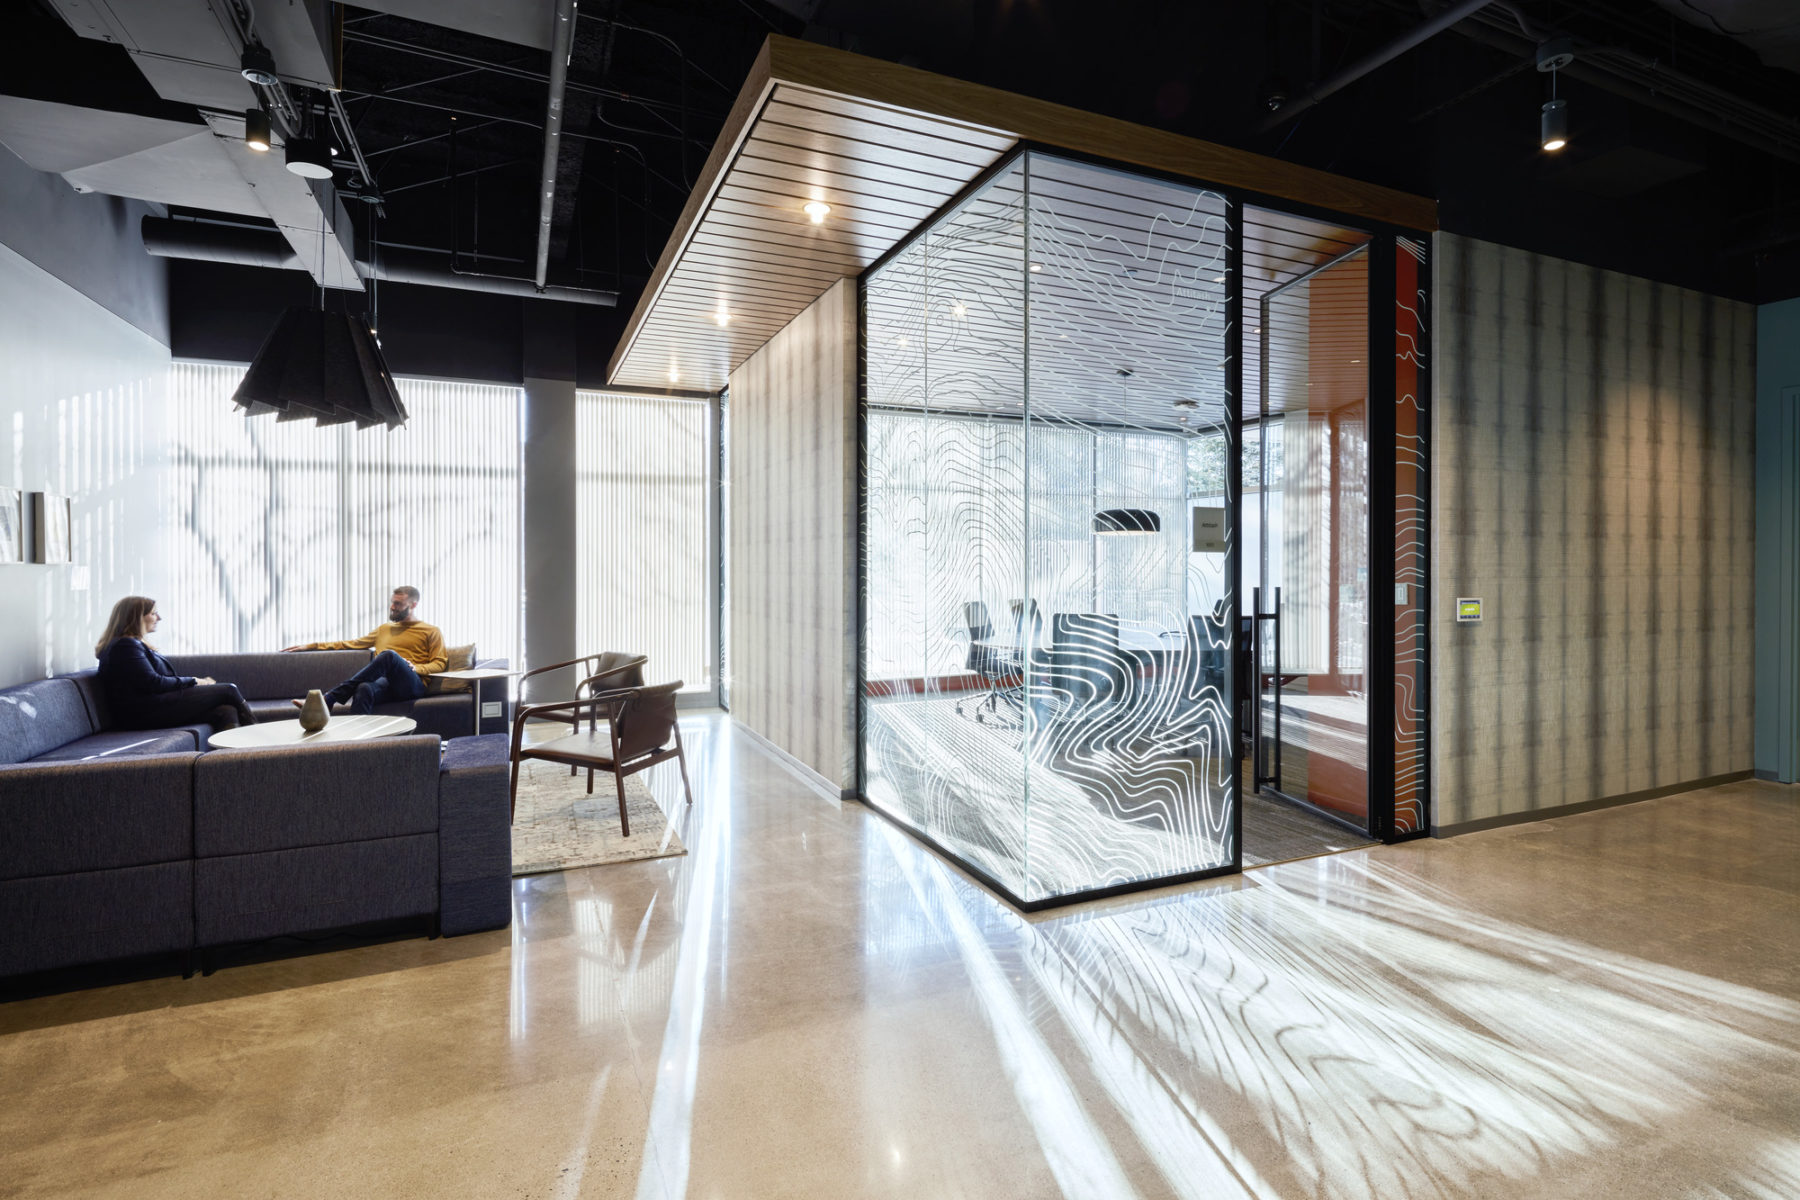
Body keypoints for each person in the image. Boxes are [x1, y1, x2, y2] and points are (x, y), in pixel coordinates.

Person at [95, 596, 255, 731]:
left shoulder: (130, 644)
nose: (159, 618)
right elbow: (154, 682)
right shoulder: (125, 646)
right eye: (153, 613)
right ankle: (259, 744)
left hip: (151, 709)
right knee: (228, 690)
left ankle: (231, 762)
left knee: (226, 711)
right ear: (136, 618)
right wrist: (195, 681)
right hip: (144, 714)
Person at [285, 585, 447, 714]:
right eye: (392, 602)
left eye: (398, 604)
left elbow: (440, 663)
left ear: (413, 605)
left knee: (389, 656)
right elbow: (349, 644)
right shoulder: (384, 629)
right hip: (385, 685)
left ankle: (330, 698)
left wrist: (416, 667)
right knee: (363, 688)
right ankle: (358, 747)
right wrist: (311, 646)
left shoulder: (431, 631)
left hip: (412, 685)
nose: (392, 607)